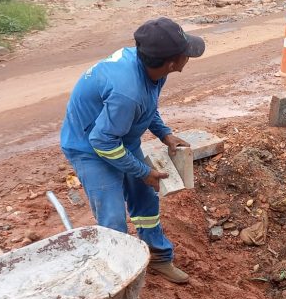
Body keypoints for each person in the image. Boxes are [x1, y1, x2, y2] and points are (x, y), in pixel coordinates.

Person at [59, 18, 205, 284]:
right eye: (186, 54)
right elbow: (102, 141)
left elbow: (146, 106)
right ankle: (118, 282)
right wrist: (141, 171)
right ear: (173, 62)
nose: (189, 57)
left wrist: (165, 134)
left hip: (119, 136)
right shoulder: (128, 90)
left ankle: (158, 257)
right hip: (90, 147)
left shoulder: (150, 69)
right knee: (113, 218)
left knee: (146, 197)